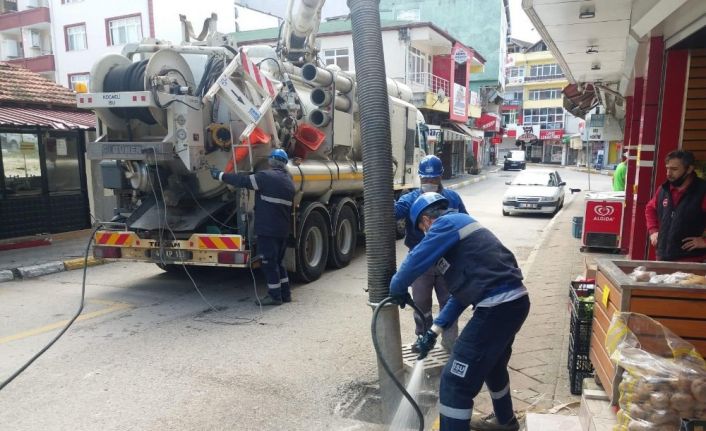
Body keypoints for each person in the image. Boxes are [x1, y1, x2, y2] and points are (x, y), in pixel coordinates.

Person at [390, 193, 530, 431]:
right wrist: (434, 331)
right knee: (493, 365)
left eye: (422, 229)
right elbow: (462, 295)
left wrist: (397, 287)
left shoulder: (445, 224)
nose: (425, 234)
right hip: (513, 303)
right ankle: (505, 421)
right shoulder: (460, 230)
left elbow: (416, 259)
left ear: (426, 220)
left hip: (497, 307)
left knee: (454, 382)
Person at [394, 155, 466, 351]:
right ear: (420, 178)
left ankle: (450, 344)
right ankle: (423, 339)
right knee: (421, 304)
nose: (430, 183)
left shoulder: (452, 198)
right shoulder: (409, 199)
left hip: (446, 260)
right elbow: (393, 212)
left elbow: (464, 222)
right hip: (421, 263)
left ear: (441, 176)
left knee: (448, 303)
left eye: (433, 179)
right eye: (426, 180)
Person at [211, 148, 296, 305]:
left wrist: (220, 175)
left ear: (271, 161)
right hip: (282, 230)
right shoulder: (289, 182)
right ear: (284, 163)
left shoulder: (266, 177)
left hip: (268, 229)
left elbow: (243, 182)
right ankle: (285, 294)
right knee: (278, 262)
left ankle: (274, 296)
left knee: (269, 263)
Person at [645, 150, 706, 262]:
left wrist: (704, 241)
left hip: (691, 261)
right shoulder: (664, 189)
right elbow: (650, 208)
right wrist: (653, 231)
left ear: (689, 169)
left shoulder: (702, 191)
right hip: (663, 257)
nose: (668, 173)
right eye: (667, 168)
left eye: (674, 169)